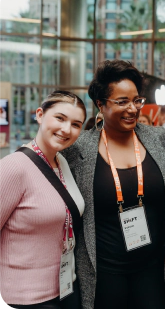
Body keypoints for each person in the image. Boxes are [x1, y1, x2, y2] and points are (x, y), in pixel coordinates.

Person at [61, 60, 165, 309]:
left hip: (152, 271)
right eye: (122, 102)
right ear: (100, 104)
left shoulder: (159, 139)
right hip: (104, 273)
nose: (132, 109)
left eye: (137, 100)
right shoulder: (79, 150)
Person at [0, 91, 86, 308]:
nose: (66, 129)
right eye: (60, 118)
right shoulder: (13, 167)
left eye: (76, 124)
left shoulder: (62, 163)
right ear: (40, 114)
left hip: (66, 287)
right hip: (26, 297)